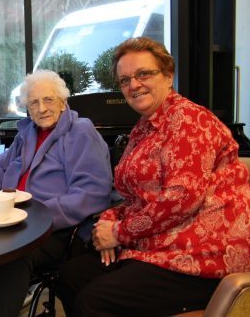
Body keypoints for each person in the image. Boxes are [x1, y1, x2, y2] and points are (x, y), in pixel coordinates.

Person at [57, 37, 250, 316]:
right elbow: (135, 196)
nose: (133, 85)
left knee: (94, 300)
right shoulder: (144, 129)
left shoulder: (189, 121)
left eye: (144, 74)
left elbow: (180, 198)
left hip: (201, 256)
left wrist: (119, 233)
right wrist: (111, 219)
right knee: (71, 275)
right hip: (159, 243)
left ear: (168, 75)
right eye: (125, 80)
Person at [0, 69, 112, 317]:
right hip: (9, 219)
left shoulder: (81, 132)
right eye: (34, 102)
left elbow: (93, 192)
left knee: (14, 254)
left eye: (48, 100)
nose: (42, 108)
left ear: (62, 102)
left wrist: (37, 216)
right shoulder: (27, 133)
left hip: (56, 229)